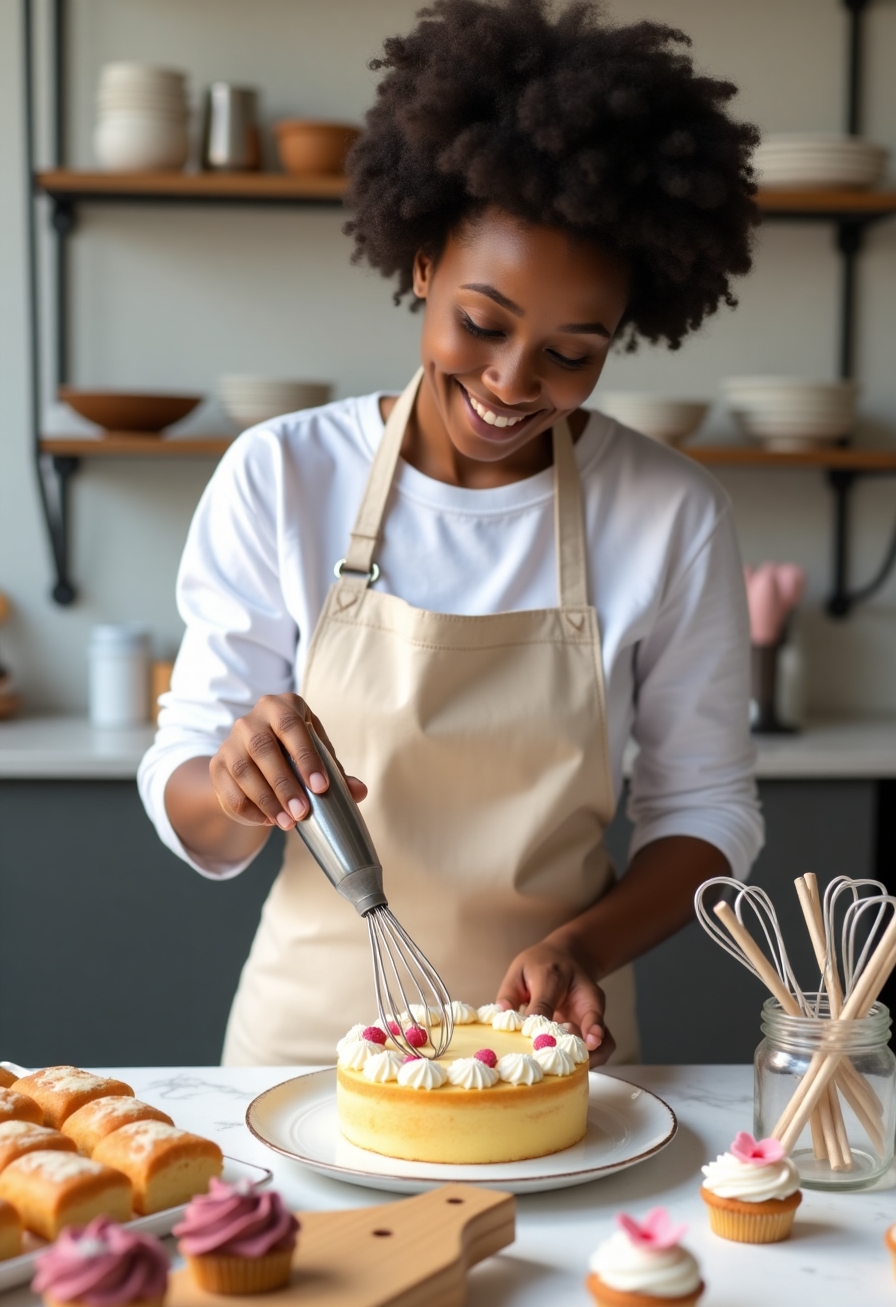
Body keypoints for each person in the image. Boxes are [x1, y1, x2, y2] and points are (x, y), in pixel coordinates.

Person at [139, 0, 763, 1067]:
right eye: (482, 323)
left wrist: (582, 942)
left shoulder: (668, 514)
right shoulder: (284, 476)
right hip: (302, 1058)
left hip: (551, 1057)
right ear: (420, 260)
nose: (512, 383)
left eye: (571, 353)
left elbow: (706, 812)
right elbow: (194, 811)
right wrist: (234, 783)